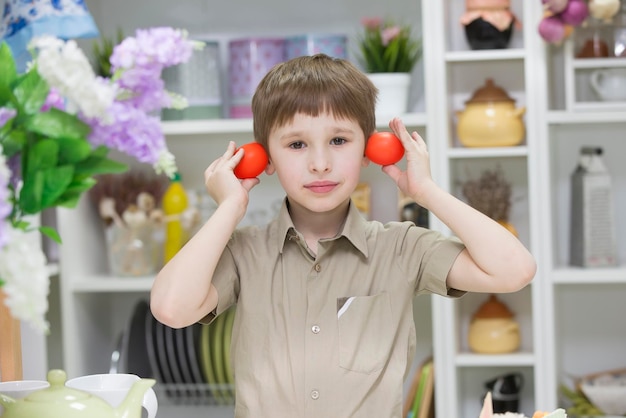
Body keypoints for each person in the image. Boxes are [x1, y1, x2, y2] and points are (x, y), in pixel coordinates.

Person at [150, 54, 536, 417]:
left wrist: (426, 192)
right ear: (264, 157)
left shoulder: (402, 247)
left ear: (370, 150)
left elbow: (514, 270)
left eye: (339, 140)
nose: (320, 164)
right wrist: (229, 207)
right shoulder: (244, 253)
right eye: (297, 144)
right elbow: (171, 308)